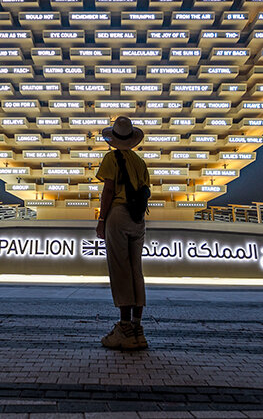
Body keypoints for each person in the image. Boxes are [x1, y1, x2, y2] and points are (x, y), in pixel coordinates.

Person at [95, 116, 151, 350]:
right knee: (136, 271)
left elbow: (108, 191)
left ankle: (124, 328)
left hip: (117, 215)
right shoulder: (140, 163)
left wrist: (101, 219)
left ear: (113, 139)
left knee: (120, 270)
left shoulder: (111, 158)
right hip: (138, 219)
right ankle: (138, 329)